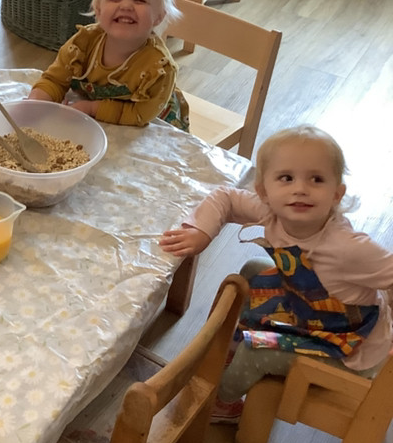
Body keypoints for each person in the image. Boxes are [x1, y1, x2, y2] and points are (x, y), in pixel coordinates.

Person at [160, 125, 393, 423]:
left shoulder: (349, 247)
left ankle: (222, 403)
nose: (300, 189)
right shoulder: (271, 211)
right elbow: (226, 197)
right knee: (252, 271)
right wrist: (201, 231)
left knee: (255, 352)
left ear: (337, 194)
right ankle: (230, 346)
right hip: (313, 310)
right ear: (263, 192)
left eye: (316, 179)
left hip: (350, 347)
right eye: (286, 178)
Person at [28, 0, 189, 129]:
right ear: (98, 9)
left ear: (159, 16)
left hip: (148, 124)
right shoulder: (83, 43)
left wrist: (92, 108)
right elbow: (55, 80)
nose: (126, 6)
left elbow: (139, 115)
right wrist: (35, 102)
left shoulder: (159, 69)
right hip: (93, 120)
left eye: (140, 0)